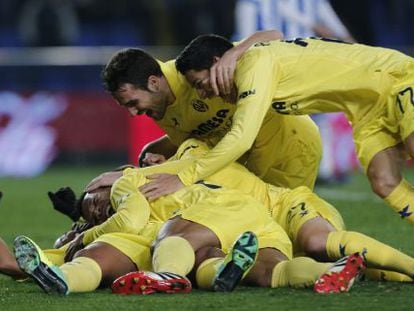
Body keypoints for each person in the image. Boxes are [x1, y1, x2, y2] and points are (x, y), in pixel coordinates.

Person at [88, 138, 414, 283]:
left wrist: (127, 174)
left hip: (286, 206)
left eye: (150, 160)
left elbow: (185, 158)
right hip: (261, 229)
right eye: (141, 164)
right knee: (298, 267)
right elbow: (133, 222)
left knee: (317, 242)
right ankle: (372, 273)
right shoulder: (168, 192)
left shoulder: (194, 151)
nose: (147, 166)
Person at [174, 34, 414, 225]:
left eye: (201, 84)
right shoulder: (245, 57)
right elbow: (273, 34)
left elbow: (242, 138)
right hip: (367, 110)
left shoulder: (253, 64)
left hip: (395, 78)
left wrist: (184, 177)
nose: (204, 94)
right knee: (384, 181)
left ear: (219, 64)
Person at [11, 167, 363, 295]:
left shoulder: (131, 185)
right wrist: (60, 250)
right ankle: (330, 271)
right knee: (260, 269)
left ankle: (166, 276)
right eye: (92, 212)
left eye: (97, 201)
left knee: (170, 238)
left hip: (206, 220)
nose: (100, 209)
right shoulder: (158, 186)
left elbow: (129, 220)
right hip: (242, 228)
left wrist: (83, 234)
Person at [101, 34, 323, 200]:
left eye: (133, 103)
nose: (133, 113)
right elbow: (199, 137)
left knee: (288, 229)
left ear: (153, 82)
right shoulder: (158, 106)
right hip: (248, 159)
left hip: (289, 146)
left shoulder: (195, 70)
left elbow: (274, 36)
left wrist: (236, 52)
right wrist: (160, 154)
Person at [234, 0, 356, 183]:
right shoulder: (252, 3)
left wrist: (346, 38)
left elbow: (327, 15)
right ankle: (256, 168)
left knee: (318, 113)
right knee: (266, 116)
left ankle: (324, 170)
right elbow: (245, 34)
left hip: (305, 61)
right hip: (268, 64)